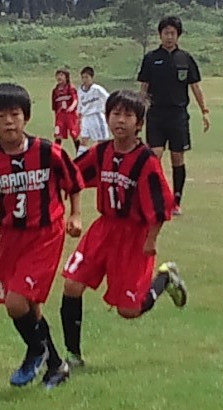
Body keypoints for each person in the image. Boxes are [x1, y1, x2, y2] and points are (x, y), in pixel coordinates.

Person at [0, 82, 85, 389]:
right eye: (0, 116)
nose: (9, 121)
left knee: (15, 302)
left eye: (15, 114)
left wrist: (76, 214)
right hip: (10, 237)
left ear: (26, 117)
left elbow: (73, 182)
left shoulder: (48, 152)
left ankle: (36, 351)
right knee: (30, 306)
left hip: (45, 234)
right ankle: (56, 366)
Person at [59, 90, 188, 368]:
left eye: (128, 115)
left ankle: (164, 278)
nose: (120, 120)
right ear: (107, 118)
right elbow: (73, 174)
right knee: (72, 284)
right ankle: (72, 355)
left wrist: (151, 240)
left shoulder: (146, 161)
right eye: (115, 114)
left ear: (139, 124)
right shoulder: (102, 152)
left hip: (134, 235)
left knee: (128, 310)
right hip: (103, 229)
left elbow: (159, 206)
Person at [138, 16, 211, 216]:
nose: (169, 37)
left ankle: (176, 201)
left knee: (177, 158)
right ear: (160, 35)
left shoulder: (185, 59)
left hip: (178, 116)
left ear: (178, 35)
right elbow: (143, 88)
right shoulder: (151, 58)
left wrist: (205, 111)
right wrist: (139, 113)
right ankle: (157, 198)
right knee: (154, 156)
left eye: (173, 33)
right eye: (166, 33)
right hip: (156, 115)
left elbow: (195, 87)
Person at [76, 66, 111, 156]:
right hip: (85, 118)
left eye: (87, 77)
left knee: (102, 140)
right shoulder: (80, 90)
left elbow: (108, 98)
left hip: (96, 116)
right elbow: (80, 103)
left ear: (91, 78)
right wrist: (79, 116)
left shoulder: (97, 89)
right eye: (83, 77)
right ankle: (79, 159)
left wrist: (108, 110)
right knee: (84, 140)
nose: (85, 80)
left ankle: (103, 157)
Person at [51, 68, 80, 154]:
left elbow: (75, 100)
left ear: (66, 77)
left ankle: (79, 153)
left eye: (61, 75)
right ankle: (56, 154)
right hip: (60, 116)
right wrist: (56, 117)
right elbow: (54, 107)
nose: (59, 77)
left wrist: (72, 107)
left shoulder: (70, 88)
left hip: (70, 115)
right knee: (58, 134)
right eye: (58, 75)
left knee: (74, 134)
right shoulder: (55, 90)